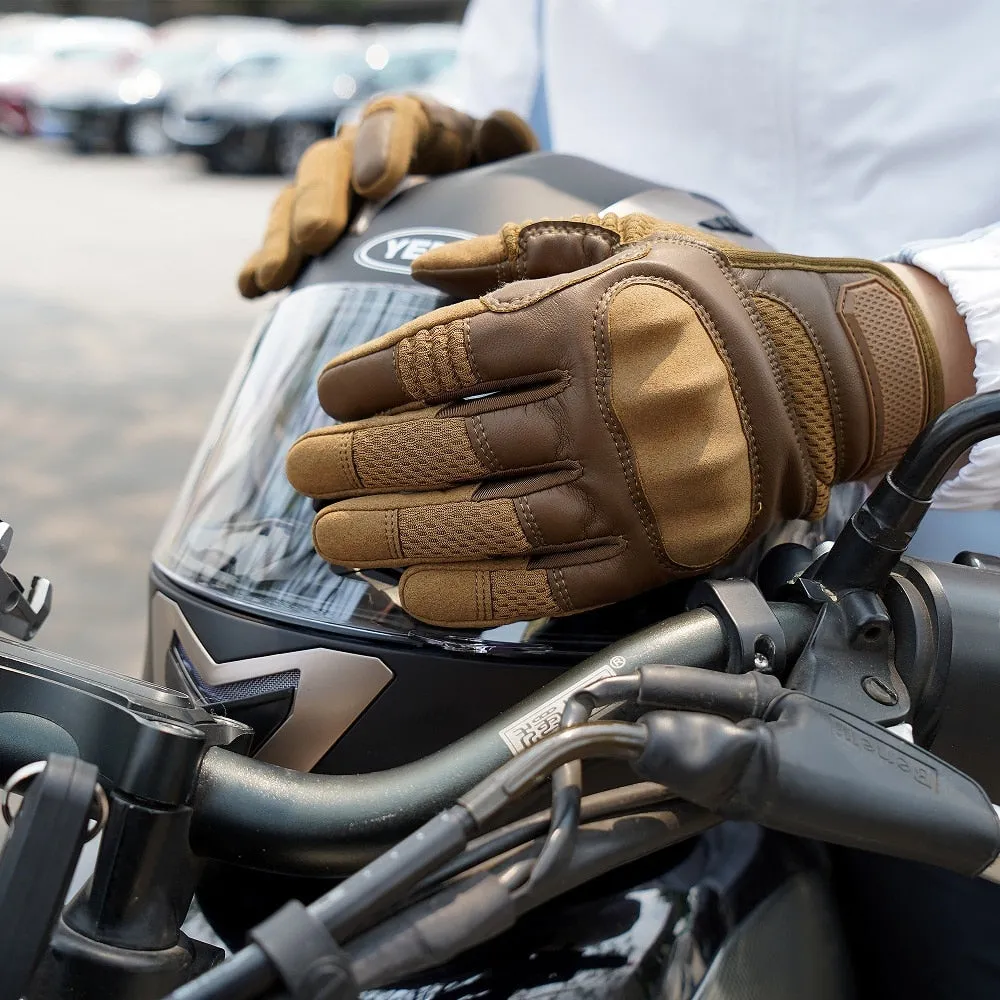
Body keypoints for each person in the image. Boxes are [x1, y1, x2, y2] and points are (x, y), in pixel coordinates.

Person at [238, 2, 1000, 996]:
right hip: (586, 572)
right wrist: (464, 172)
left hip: (949, 608)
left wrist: (894, 353)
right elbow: (504, 88)